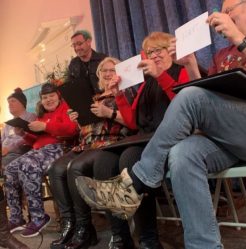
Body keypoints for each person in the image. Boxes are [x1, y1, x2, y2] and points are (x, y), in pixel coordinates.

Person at [76, 0, 246, 249]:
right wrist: (192, 66)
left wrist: (240, 38)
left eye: (228, 11)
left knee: (192, 97)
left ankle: (135, 184)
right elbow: (206, 102)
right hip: (235, 137)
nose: (223, 17)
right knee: (182, 153)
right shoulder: (223, 55)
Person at [77, 31, 200, 249]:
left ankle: (148, 239)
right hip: (144, 137)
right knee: (104, 161)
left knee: (129, 160)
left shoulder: (181, 72)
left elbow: (187, 106)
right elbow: (133, 123)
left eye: (158, 50)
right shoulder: (145, 84)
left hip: (171, 137)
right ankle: (121, 237)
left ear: (170, 51)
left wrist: (160, 75)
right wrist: (119, 96)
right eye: (149, 52)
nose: (153, 55)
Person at [48, 57, 135, 249]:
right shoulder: (93, 97)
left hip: (108, 143)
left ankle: (85, 228)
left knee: (75, 167)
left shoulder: (126, 93)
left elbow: (133, 122)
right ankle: (71, 224)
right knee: (55, 169)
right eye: (103, 70)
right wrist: (78, 120)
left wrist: (108, 112)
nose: (107, 73)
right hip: (86, 145)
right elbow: (87, 128)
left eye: (111, 69)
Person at [4, 83, 78, 238]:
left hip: (59, 148)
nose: (48, 100)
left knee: (27, 164)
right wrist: (23, 134)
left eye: (51, 96)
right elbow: (36, 141)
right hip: (38, 151)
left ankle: (39, 217)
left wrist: (45, 126)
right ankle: (17, 217)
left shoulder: (67, 108)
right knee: (10, 168)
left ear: (58, 96)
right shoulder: (42, 115)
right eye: (45, 97)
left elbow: (71, 130)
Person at [1, 88, 36, 168]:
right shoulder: (8, 124)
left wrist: (8, 148)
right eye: (8, 102)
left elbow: (28, 138)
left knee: (4, 162)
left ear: (22, 103)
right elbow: (2, 139)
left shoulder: (31, 117)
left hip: (19, 153)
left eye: (13, 101)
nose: (9, 104)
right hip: (5, 153)